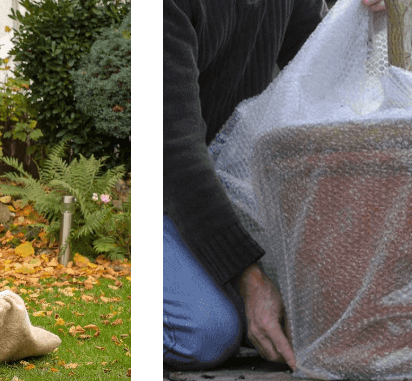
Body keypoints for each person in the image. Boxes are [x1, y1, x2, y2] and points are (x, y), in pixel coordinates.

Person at [163, 0, 388, 371]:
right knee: (208, 332)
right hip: (169, 191)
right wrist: (249, 279)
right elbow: (174, 150)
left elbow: (329, 73)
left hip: (222, 189)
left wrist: (373, 18)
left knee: (309, 308)